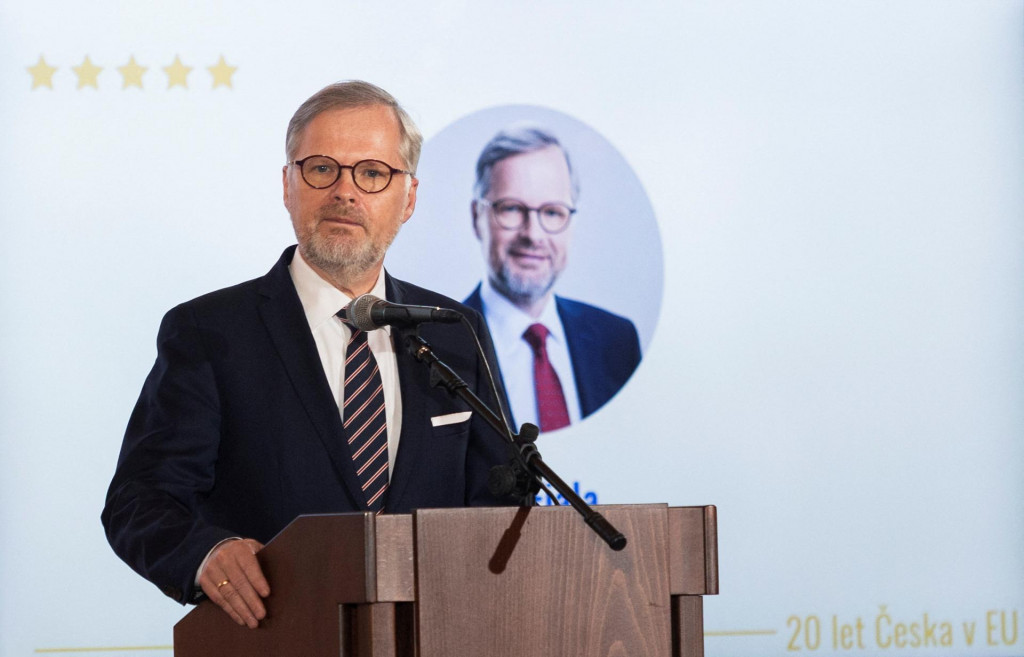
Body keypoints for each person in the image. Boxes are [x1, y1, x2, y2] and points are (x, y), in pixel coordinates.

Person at [102, 81, 512, 630]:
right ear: (288, 184)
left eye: (371, 173)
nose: (345, 192)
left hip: (436, 634)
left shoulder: (454, 331)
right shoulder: (209, 331)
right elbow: (141, 500)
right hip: (277, 634)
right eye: (322, 169)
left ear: (408, 198)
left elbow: (501, 501)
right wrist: (206, 554)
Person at [463, 125, 641, 433]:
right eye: (512, 209)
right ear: (477, 218)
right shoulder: (436, 346)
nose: (533, 234)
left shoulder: (617, 341)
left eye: (552, 213)